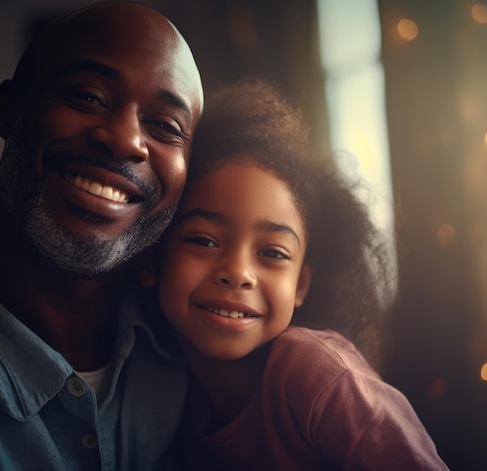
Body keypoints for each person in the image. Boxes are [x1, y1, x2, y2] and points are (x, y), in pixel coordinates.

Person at [0, 2, 203, 470]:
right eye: (88, 96)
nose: (126, 140)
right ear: (9, 110)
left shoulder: (193, 333)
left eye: (165, 126)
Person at [139, 78, 450, 469]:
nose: (237, 273)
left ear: (301, 284)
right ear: (151, 259)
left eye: (272, 252)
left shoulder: (316, 373)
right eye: (203, 241)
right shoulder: (162, 394)